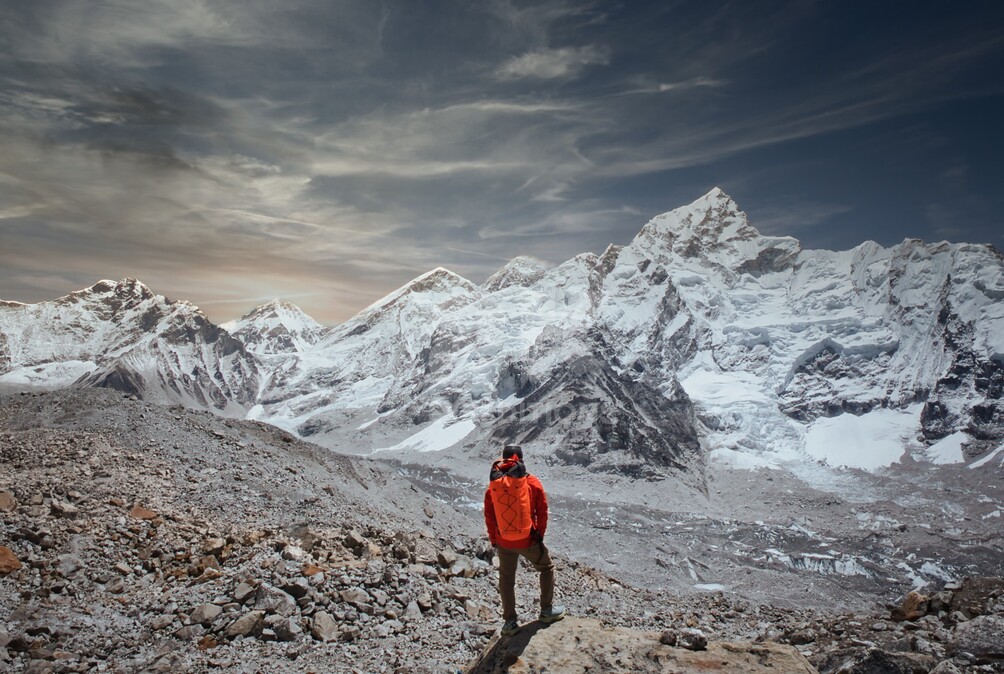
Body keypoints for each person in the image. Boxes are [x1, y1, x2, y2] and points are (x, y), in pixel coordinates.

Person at [483, 444, 566, 635]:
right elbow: (542, 512)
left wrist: (494, 540)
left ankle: (509, 622)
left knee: (506, 579)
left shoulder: (494, 487)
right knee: (546, 568)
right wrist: (539, 536)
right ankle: (546, 610)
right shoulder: (532, 482)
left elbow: (489, 515)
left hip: (504, 541)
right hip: (528, 539)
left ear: (503, 460)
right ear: (521, 460)